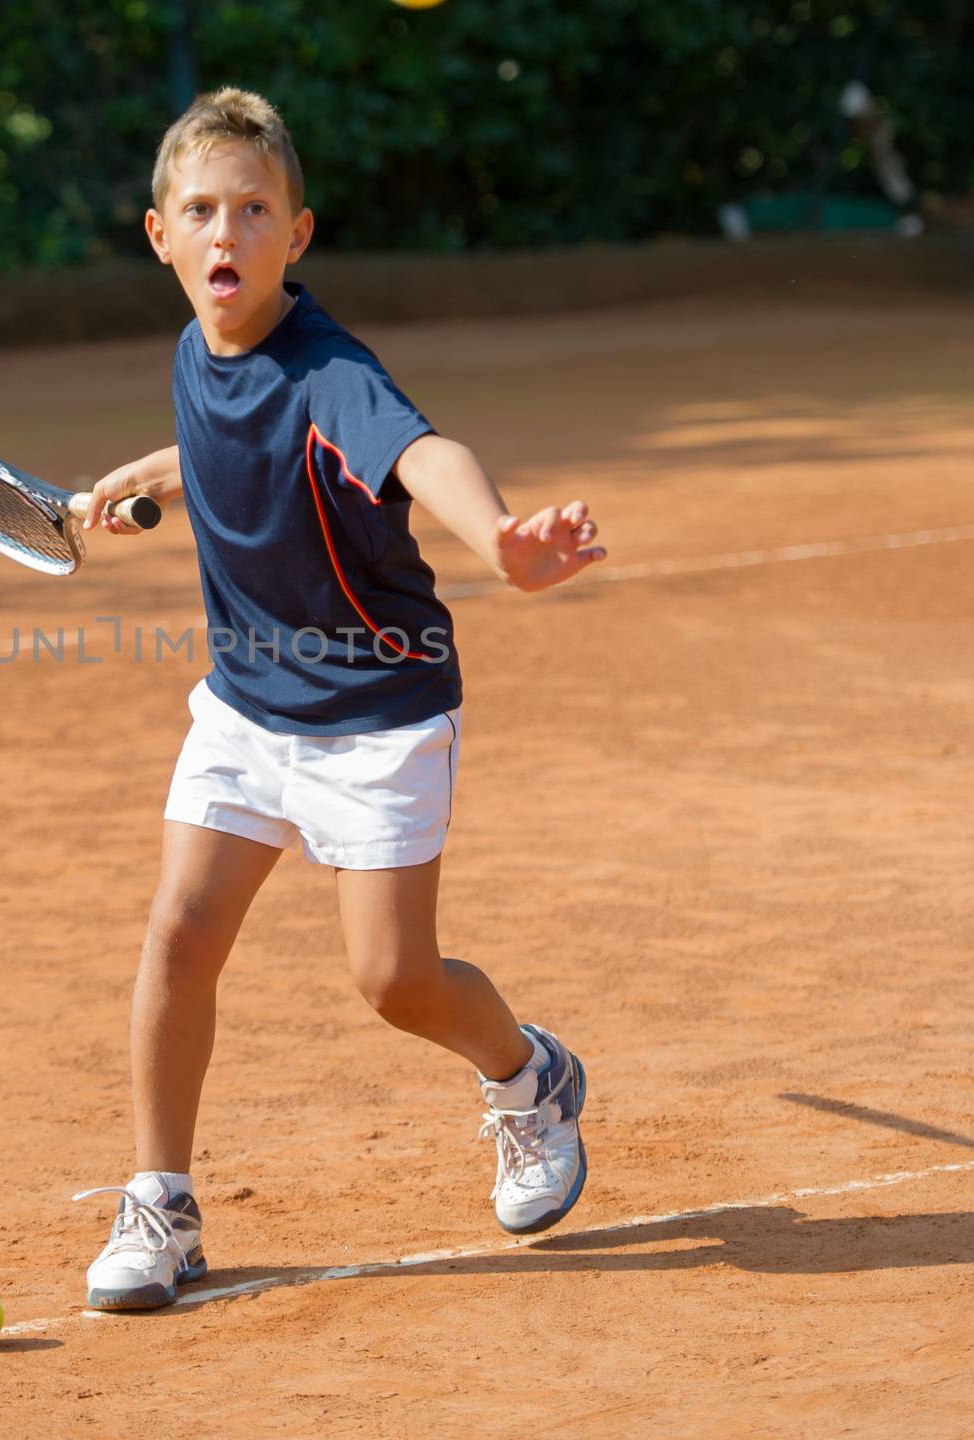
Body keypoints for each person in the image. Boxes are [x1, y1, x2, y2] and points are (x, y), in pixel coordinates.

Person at [71, 87, 605, 1310]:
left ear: (296, 237)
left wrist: (501, 542)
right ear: (160, 236)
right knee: (178, 933)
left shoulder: (332, 372)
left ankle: (529, 1077)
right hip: (246, 708)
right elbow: (213, 439)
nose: (226, 234)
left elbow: (424, 454)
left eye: (254, 211)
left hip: (379, 708)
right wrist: (138, 478)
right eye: (200, 212)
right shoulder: (195, 347)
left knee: (393, 983)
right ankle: (161, 1199)